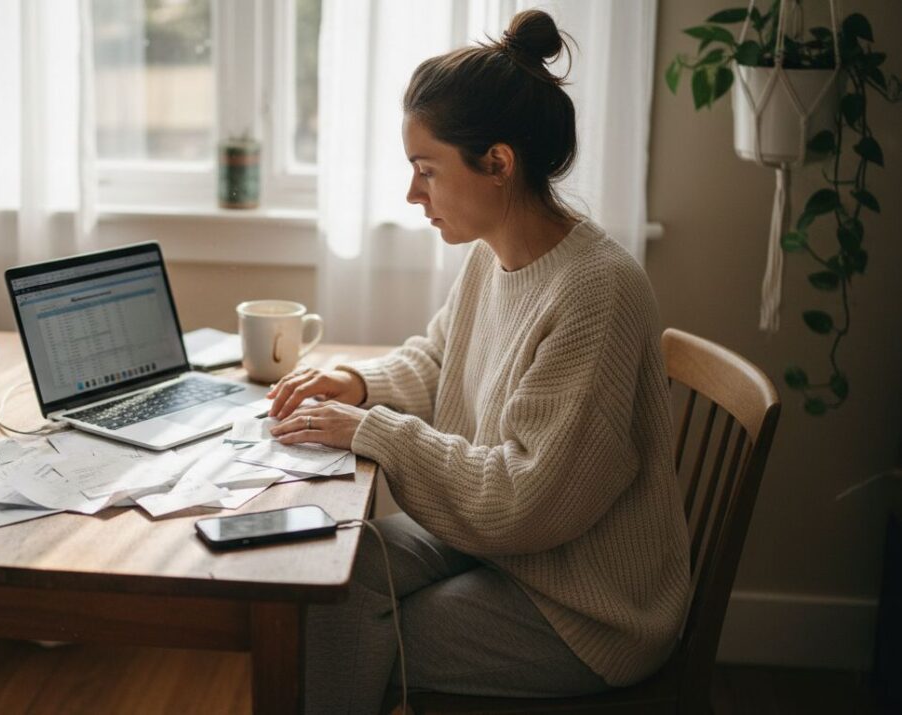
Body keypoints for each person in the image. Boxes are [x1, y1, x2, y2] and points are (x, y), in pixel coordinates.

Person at [265, 9, 691, 714]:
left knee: (341, 622)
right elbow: (442, 359)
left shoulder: (596, 293)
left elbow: (526, 497)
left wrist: (371, 430)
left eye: (426, 171)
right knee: (329, 571)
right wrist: (360, 381)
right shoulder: (499, 255)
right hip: (511, 552)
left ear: (497, 163)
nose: (413, 194)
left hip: (585, 606)